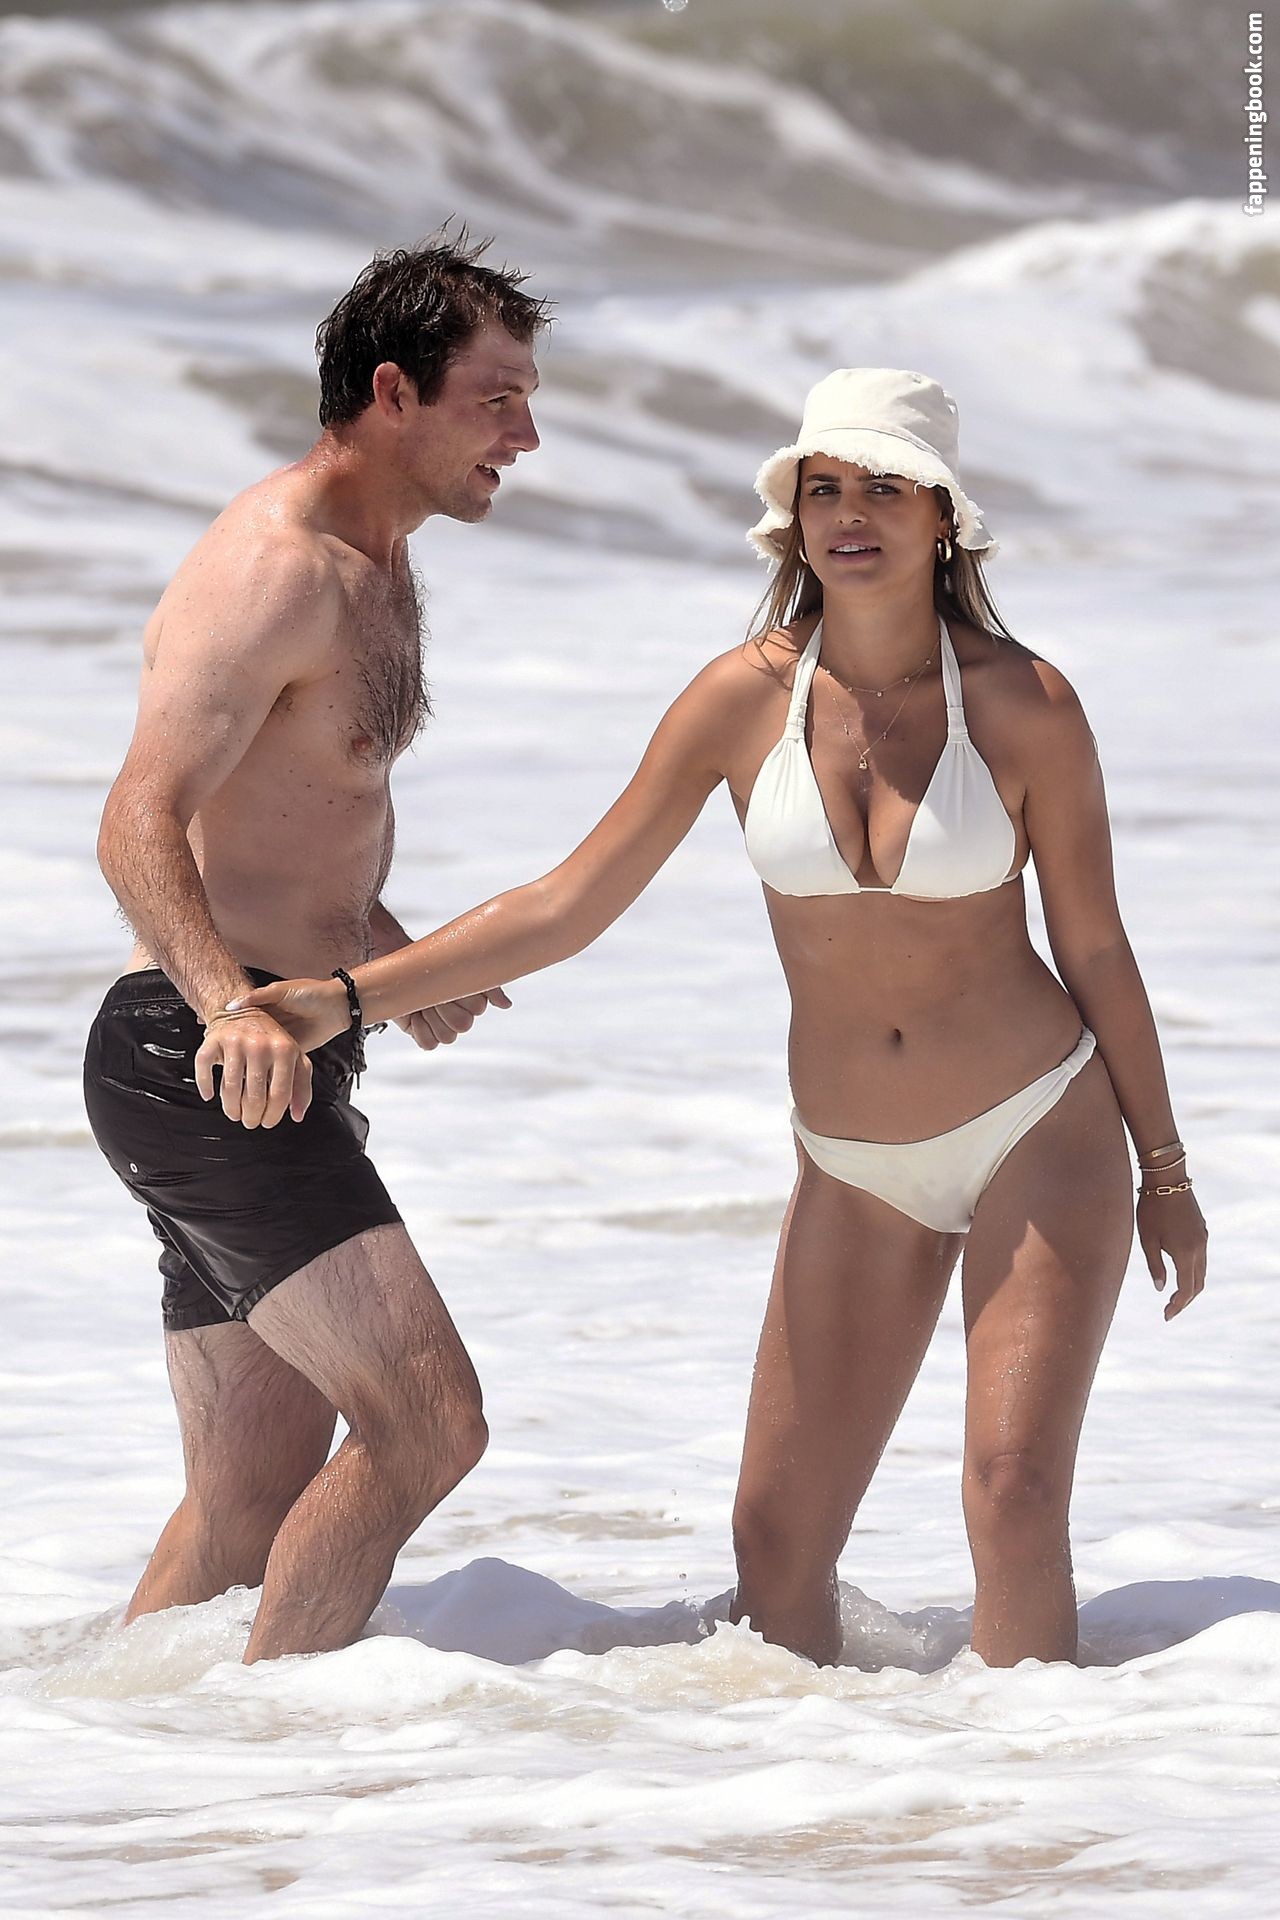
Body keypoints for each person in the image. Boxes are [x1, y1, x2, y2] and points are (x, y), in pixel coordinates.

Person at [230, 367, 1209, 1668]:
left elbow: (1095, 946)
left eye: (883, 488)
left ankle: (1033, 1785)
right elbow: (570, 901)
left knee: (1012, 1496)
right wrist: (347, 999)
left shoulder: (1026, 703)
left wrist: (1165, 1170)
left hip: (1039, 1122)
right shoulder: (742, 699)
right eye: (823, 488)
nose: (847, 514)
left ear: (942, 517)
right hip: (855, 1159)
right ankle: (816, 1792)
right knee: (775, 1547)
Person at [85, 232, 548, 1662]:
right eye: (497, 400)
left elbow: (294, 805)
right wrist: (231, 1007)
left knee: (245, 1505)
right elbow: (136, 818)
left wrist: (379, 955)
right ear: (394, 393)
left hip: (271, 1052)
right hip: (205, 1059)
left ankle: (124, 1748)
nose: (525, 438)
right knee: (429, 1422)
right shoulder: (276, 567)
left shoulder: (379, 565)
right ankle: (278, 1746)